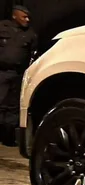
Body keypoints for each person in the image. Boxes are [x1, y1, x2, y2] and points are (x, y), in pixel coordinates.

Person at [0, 5, 36, 146]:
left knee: (13, 107)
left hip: (17, 74)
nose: (27, 19)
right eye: (24, 17)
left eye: (28, 17)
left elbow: (33, 54)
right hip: (1, 72)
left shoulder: (30, 34)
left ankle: (8, 137)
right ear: (14, 16)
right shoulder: (2, 27)